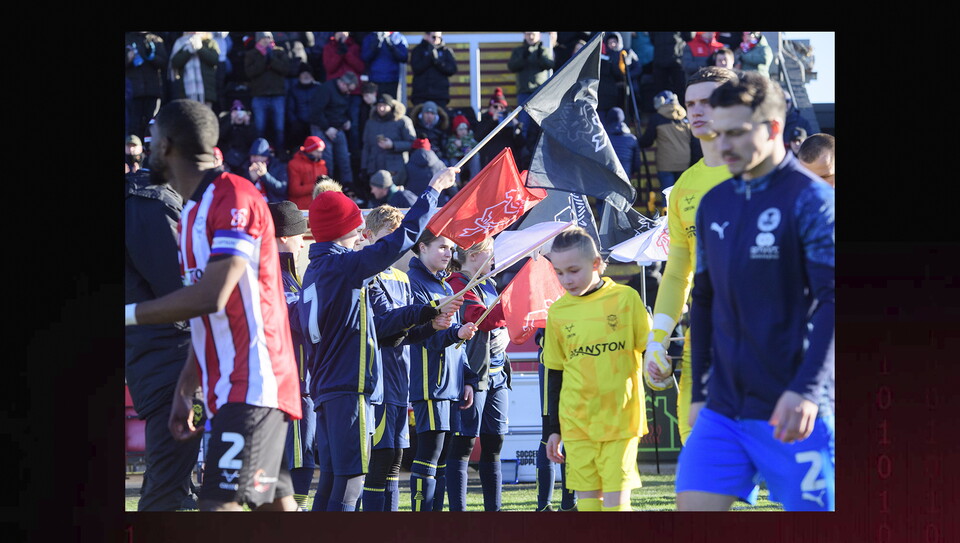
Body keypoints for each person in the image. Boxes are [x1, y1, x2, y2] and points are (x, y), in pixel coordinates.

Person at [125, 99, 302, 512]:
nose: (146, 150)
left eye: (151, 140)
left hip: (256, 380)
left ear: (166, 146)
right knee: (276, 509)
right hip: (228, 384)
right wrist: (185, 389)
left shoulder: (235, 195)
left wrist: (128, 314)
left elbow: (211, 295)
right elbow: (204, 316)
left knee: (217, 508)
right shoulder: (190, 212)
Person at [675, 72, 835, 512]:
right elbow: (703, 300)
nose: (723, 145)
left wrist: (806, 390)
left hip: (793, 407)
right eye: (720, 132)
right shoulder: (714, 203)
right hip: (723, 412)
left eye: (737, 133)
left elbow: (834, 301)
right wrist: (701, 394)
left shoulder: (812, 201)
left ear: (774, 128)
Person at [298, 166, 462, 511]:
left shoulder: (317, 269)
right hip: (348, 387)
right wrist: (433, 189)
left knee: (332, 478)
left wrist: (427, 318)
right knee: (351, 481)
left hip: (328, 386)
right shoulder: (342, 267)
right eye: (354, 224)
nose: (360, 230)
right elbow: (404, 237)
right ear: (345, 228)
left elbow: (384, 328)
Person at [643, 67, 739, 448]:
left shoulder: (767, 175)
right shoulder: (683, 187)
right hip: (705, 337)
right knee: (699, 451)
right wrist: (657, 339)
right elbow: (677, 272)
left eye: (708, 102)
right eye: (690, 103)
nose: (696, 111)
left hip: (764, 340)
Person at [542, 227, 652, 512]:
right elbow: (555, 373)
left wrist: (660, 369)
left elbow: (649, 350)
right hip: (576, 423)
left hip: (621, 421)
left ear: (596, 263)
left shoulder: (626, 299)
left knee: (615, 507)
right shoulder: (557, 312)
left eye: (573, 270)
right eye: (559, 272)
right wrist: (553, 429)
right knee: (589, 507)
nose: (566, 280)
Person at [357, 205, 452, 511]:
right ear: (369, 235)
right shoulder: (365, 274)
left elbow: (407, 333)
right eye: (388, 235)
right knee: (380, 457)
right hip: (376, 379)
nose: (395, 242)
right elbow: (384, 325)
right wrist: (425, 312)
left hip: (400, 380)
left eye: (399, 236)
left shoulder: (400, 277)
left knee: (396, 459)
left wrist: (432, 325)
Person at [125, 168, 202, 512]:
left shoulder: (149, 200)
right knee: (166, 493)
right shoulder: (150, 202)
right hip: (169, 361)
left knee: (174, 489)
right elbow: (180, 290)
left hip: (161, 357)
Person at [405, 230, 479, 511]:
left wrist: (467, 377)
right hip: (430, 383)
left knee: (443, 457)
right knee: (429, 455)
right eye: (442, 247)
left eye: (450, 248)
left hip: (451, 384)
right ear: (422, 247)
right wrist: (456, 333)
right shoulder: (414, 283)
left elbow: (457, 341)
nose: (449, 253)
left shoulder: (446, 287)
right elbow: (422, 334)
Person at [446, 239, 513, 511]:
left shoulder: (487, 282)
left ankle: (493, 513)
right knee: (464, 444)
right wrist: (515, 299)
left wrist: (508, 330)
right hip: (474, 376)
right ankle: (459, 515)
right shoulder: (457, 284)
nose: (494, 259)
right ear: (473, 255)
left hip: (498, 374)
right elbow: (481, 319)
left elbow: (497, 324)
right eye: (490, 253)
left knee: (494, 443)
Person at [267, 200, 316, 512]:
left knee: (302, 456)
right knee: (298, 458)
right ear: (284, 236)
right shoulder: (272, 275)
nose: (302, 243)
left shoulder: (288, 275)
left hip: (301, 384)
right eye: (300, 235)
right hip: (291, 386)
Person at [638, 90, 694, 208]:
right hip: (684, 162)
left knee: (667, 197)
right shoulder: (686, 117)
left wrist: (637, 141)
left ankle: (667, 218)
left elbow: (647, 141)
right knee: (682, 197)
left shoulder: (657, 118)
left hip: (666, 164)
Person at [308, 71, 359, 189]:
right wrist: (327, 128)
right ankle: (326, 189)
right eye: (348, 89)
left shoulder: (345, 93)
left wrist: (346, 120)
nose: (349, 93)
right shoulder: (325, 90)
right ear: (343, 83)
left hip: (338, 128)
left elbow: (344, 110)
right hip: (322, 128)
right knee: (327, 162)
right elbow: (315, 112)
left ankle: (349, 188)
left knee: (344, 160)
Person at [245, 32, 291, 154]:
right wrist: (264, 58)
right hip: (259, 95)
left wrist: (272, 58)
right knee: (259, 128)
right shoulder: (252, 54)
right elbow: (250, 72)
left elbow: (286, 69)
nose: (266, 40)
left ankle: (280, 152)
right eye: (264, 38)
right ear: (258, 40)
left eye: (269, 38)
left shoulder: (279, 52)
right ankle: (259, 153)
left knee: (279, 128)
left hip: (277, 95)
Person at [361, 93, 416, 188]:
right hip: (374, 168)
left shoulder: (402, 121)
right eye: (379, 105)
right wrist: (364, 167)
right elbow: (366, 146)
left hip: (395, 168)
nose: (381, 108)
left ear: (391, 106)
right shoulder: (370, 122)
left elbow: (412, 143)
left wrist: (393, 145)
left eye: (384, 106)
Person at [508, 31, 555, 139]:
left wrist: (540, 55)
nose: (531, 36)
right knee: (523, 123)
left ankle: (539, 146)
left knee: (540, 122)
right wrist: (523, 57)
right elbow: (512, 66)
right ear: (524, 35)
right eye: (528, 34)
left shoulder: (544, 50)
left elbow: (550, 64)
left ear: (539, 35)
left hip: (540, 92)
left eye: (533, 34)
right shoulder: (519, 51)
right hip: (524, 92)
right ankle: (522, 145)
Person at [125, 32, 168, 141]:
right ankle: (134, 149)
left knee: (152, 124)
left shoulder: (156, 39)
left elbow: (164, 63)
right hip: (133, 92)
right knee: (133, 126)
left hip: (153, 91)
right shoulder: (127, 39)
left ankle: (150, 148)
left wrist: (152, 57)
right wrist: (128, 59)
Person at [169, 32, 221, 109]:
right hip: (185, 92)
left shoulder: (210, 42)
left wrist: (199, 48)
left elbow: (214, 60)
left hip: (206, 91)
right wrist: (189, 50)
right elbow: (175, 63)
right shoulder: (180, 43)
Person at [475, 88, 523, 169]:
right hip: (490, 162)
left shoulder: (509, 121)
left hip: (507, 162)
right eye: (495, 106)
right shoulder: (484, 119)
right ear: (490, 107)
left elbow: (520, 144)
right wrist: (492, 120)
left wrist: (517, 127)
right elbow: (478, 136)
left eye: (502, 107)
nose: (499, 109)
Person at [409, 32, 458, 109]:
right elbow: (416, 68)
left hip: (440, 95)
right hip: (421, 95)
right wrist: (429, 58)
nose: (436, 39)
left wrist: (438, 61)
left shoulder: (446, 51)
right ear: (426, 36)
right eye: (434, 37)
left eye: (439, 37)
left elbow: (452, 70)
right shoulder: (418, 50)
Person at [286, 63, 322, 158]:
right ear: (299, 76)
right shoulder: (294, 90)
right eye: (303, 74)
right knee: (295, 130)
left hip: (315, 121)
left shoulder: (319, 88)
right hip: (300, 122)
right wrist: (295, 122)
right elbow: (290, 109)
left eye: (308, 74)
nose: (306, 76)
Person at [362, 31, 409, 100]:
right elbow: (365, 57)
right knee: (375, 104)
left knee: (391, 103)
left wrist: (391, 46)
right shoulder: (370, 37)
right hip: (374, 79)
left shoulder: (398, 37)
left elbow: (404, 57)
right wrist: (376, 44)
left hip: (392, 79)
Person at [286, 136, 328, 210]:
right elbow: (294, 190)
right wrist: (316, 186)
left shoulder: (322, 165)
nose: (320, 154)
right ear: (310, 150)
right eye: (318, 151)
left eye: (321, 151)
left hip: (317, 207)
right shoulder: (295, 164)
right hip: (300, 208)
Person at [217, 100, 259, 174]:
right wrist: (231, 121)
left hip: (244, 158)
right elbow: (221, 137)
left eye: (241, 112)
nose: (239, 115)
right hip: (227, 157)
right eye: (235, 111)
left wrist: (247, 124)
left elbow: (252, 141)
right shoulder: (225, 122)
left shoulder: (250, 125)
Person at [241, 137, 288, 203]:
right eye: (253, 156)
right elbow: (240, 191)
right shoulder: (245, 166)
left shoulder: (278, 166)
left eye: (258, 156)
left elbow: (282, 189)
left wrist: (264, 175)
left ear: (266, 157)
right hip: (252, 203)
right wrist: (251, 179)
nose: (255, 159)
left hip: (273, 204)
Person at [444, 114, 481, 181]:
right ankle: (455, 182)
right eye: (460, 129)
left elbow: (477, 147)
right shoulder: (452, 139)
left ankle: (475, 179)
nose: (463, 131)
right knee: (453, 160)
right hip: (458, 163)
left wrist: (469, 150)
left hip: (469, 161)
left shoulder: (471, 138)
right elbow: (449, 152)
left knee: (476, 157)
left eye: (465, 129)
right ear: (456, 130)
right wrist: (456, 146)